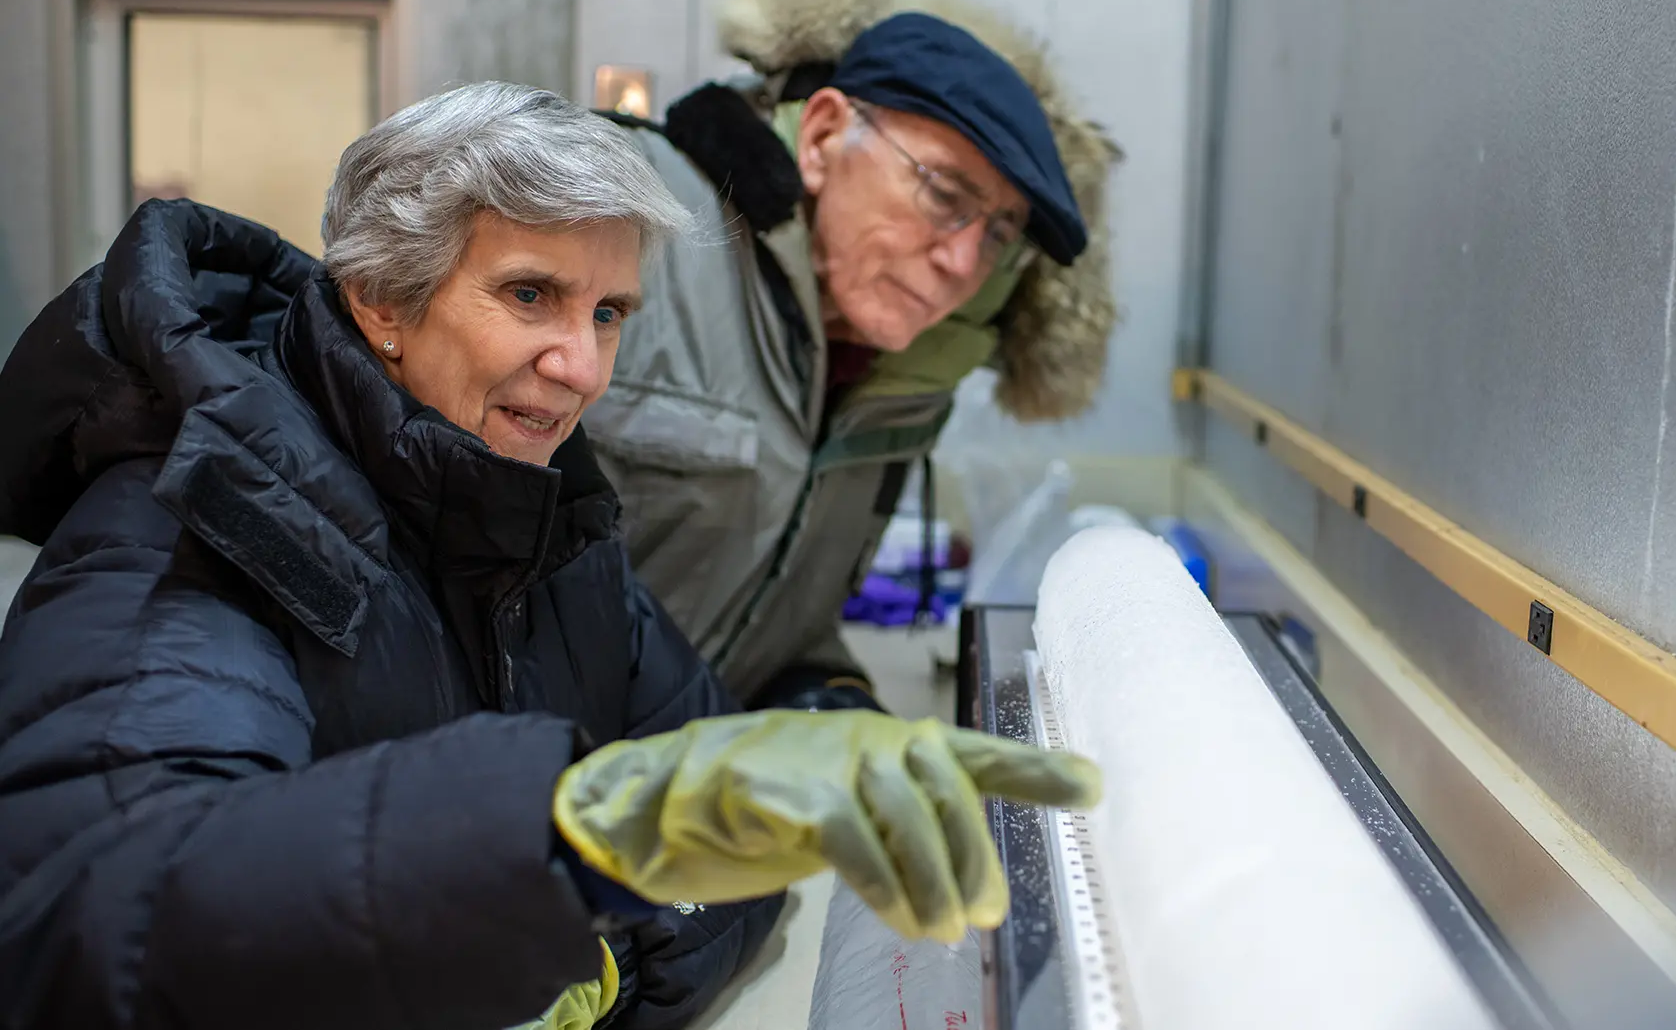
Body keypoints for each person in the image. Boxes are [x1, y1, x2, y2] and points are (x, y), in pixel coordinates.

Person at [0, 82, 1099, 1030]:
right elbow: (94, 928)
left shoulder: (547, 525)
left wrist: (602, 958)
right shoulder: (181, 530)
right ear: (382, 296)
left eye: (610, 311)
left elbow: (714, 817)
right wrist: (555, 853)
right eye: (530, 294)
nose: (581, 367)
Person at [589, 0, 1121, 713]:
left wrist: (828, 702)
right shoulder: (633, 228)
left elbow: (773, 617)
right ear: (823, 138)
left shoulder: (895, 383)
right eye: (942, 191)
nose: (962, 260)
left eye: (1000, 232)